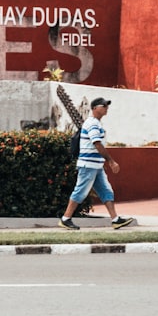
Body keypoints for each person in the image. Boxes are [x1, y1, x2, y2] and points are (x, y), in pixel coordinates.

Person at [60, 97, 135, 230]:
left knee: (106, 190)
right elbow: (97, 144)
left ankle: (115, 219)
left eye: (107, 106)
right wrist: (111, 161)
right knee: (81, 192)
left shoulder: (96, 123)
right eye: (104, 105)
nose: (106, 108)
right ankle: (66, 219)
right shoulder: (92, 124)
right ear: (95, 108)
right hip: (88, 165)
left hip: (96, 165)